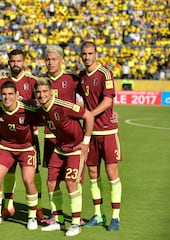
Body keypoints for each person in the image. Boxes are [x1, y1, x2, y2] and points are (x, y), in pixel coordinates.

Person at [35, 78, 94, 237]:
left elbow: (88, 116)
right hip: (60, 149)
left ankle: (76, 223)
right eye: (39, 92)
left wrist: (86, 142)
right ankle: (58, 219)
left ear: (52, 92)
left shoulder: (63, 106)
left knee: (70, 183)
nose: (42, 95)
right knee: (51, 183)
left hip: (76, 149)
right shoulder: (42, 109)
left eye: (45, 91)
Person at [0, 49, 43, 222]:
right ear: (8, 62)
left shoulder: (32, 81)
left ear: (24, 62)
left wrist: (24, 102)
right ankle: (7, 206)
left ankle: (38, 209)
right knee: (7, 172)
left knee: (33, 175)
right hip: (7, 135)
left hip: (30, 136)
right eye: (12, 61)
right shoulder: (2, 81)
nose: (15, 64)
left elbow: (40, 102)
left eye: (19, 61)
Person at [78, 41, 122, 231]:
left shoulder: (105, 73)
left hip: (108, 132)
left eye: (90, 53)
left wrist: (90, 114)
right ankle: (97, 214)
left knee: (112, 174)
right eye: (84, 54)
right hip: (90, 133)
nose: (87, 57)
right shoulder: (80, 76)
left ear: (96, 54)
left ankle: (115, 218)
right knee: (93, 174)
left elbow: (108, 100)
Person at [0, 81, 40, 230]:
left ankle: (32, 217)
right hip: (5, 147)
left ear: (17, 95)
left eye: (10, 94)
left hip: (26, 148)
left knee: (28, 180)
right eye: (4, 94)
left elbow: (45, 112)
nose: (7, 97)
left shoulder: (27, 109)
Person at [38, 45, 80, 226]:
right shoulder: (41, 82)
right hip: (50, 138)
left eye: (53, 59)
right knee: (53, 180)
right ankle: (58, 216)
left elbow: (92, 99)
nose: (50, 62)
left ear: (61, 60)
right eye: (47, 59)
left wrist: (110, 112)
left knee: (72, 180)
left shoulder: (72, 79)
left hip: (71, 139)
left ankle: (80, 217)